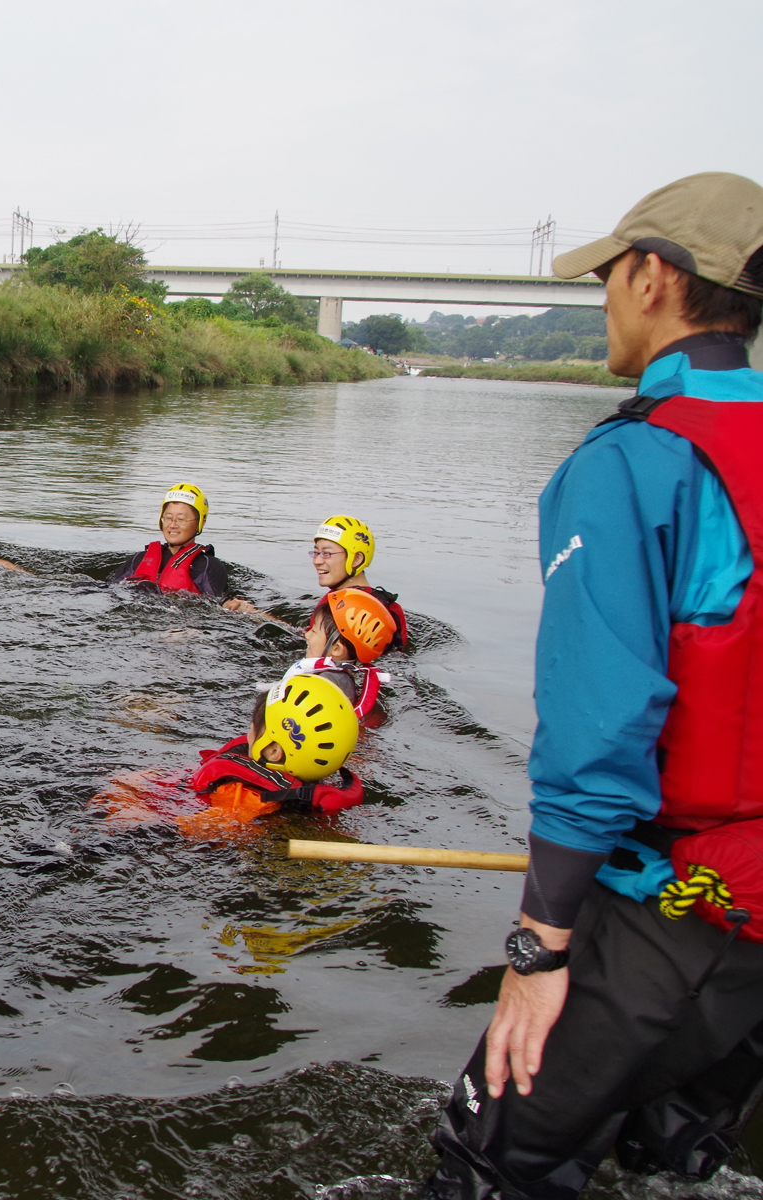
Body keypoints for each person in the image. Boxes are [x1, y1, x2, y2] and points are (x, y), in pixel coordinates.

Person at [426, 172, 763, 1199]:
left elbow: (600, 720)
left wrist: (540, 948)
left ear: (655, 277)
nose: (606, 298)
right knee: (673, 1153)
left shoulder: (632, 462)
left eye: (612, 275)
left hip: (674, 902)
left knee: (493, 1161)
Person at [98, 669, 363, 833]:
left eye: (254, 728)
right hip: (190, 796)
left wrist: (137, 820)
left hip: (171, 822)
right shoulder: (303, 783)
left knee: (110, 795)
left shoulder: (245, 800)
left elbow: (206, 829)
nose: (248, 732)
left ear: (273, 751)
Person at [111, 483, 257, 611]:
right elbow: (110, 590)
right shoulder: (139, 559)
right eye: (168, 518)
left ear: (201, 522)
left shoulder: (209, 567)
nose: (173, 524)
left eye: (181, 519)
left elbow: (222, 605)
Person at [297, 587, 398, 723]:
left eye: (314, 631)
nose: (307, 635)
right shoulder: (342, 678)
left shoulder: (328, 682)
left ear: (337, 649)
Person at [308, 515, 409, 652]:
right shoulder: (392, 608)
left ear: (356, 559)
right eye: (316, 553)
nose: (317, 561)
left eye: (327, 554)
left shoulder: (332, 604)